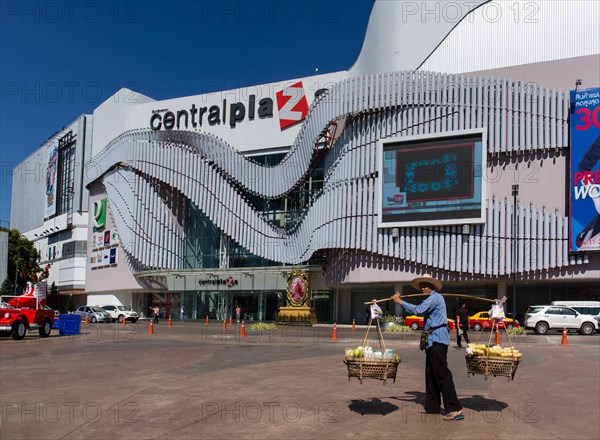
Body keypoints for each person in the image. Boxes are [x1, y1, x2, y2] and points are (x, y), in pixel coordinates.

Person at [391, 274, 463, 421]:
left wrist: (400, 302)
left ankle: (454, 408)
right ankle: (432, 406)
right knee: (431, 373)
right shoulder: (431, 298)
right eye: (421, 286)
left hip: (438, 339)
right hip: (431, 340)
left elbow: (418, 310)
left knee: (442, 373)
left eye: (426, 285)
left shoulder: (434, 298)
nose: (423, 288)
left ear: (432, 287)